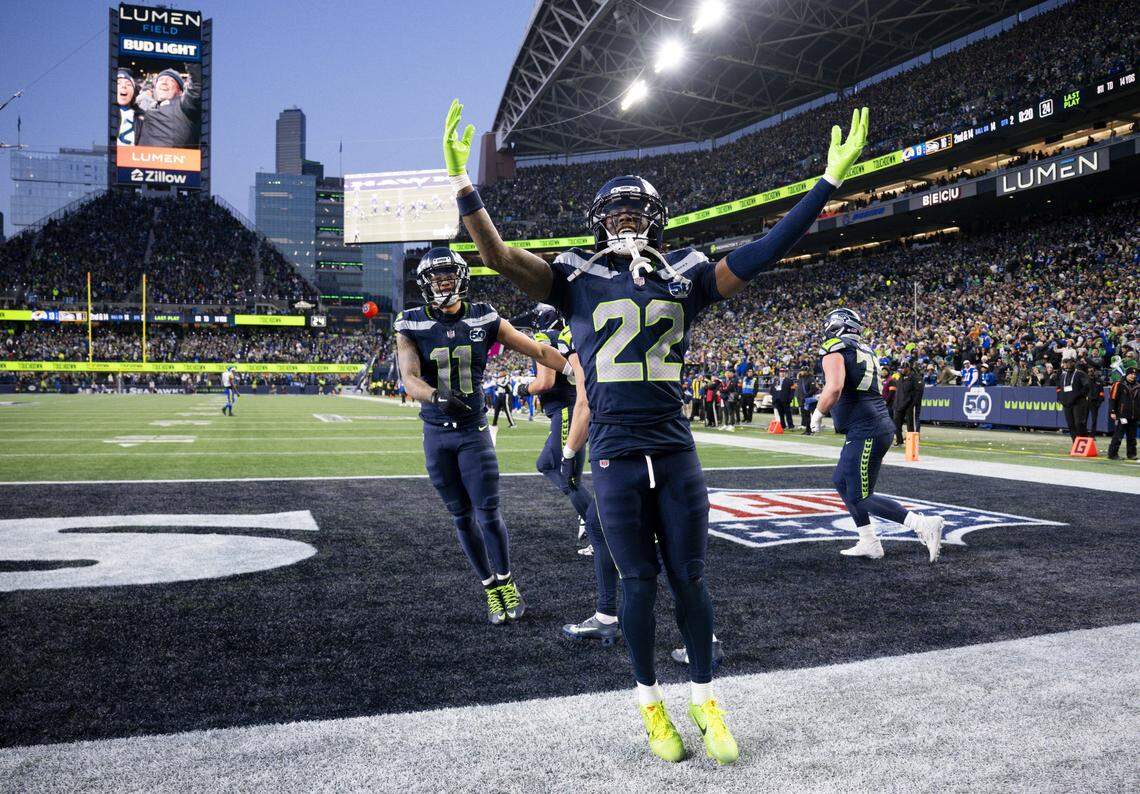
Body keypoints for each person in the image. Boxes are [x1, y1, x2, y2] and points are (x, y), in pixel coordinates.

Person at [446, 97, 872, 765]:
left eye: (636, 212)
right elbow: (497, 256)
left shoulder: (687, 275)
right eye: (615, 214)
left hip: (674, 449)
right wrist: (465, 189)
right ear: (595, 224)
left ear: (657, 220)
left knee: (692, 580)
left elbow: (761, 252)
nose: (626, 223)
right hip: (615, 450)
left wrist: (828, 183)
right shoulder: (571, 277)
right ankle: (650, 706)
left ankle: (706, 699)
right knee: (638, 583)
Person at [394, 247, 573, 625]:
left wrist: (575, 370)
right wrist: (437, 396)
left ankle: (507, 581)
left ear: (460, 278)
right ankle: (490, 586)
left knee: (489, 513)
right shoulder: (409, 323)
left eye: (448, 275)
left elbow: (537, 348)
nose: (443, 283)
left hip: (474, 434)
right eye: (436, 278)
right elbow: (409, 377)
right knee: (461, 517)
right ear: (425, 285)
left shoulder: (484, 316)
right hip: (437, 432)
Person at [516, 305, 620, 642]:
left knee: (567, 472)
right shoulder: (570, 334)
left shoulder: (552, 339)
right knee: (546, 465)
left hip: (569, 414)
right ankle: (590, 518)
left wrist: (522, 388)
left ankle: (592, 523)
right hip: (569, 412)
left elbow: (546, 380)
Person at [810, 308, 945, 562]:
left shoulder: (834, 346)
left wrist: (817, 413)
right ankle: (869, 541)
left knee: (860, 495)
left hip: (867, 428)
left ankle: (922, 524)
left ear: (837, 325)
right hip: (873, 423)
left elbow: (834, 387)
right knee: (841, 481)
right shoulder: (865, 348)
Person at [137, 63, 201, 148]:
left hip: (174, 159)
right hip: (141, 159)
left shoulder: (184, 105)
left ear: (180, 92)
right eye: (161, 79)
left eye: (171, 80)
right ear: (155, 88)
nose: (164, 82)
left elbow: (197, 86)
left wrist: (193, 60)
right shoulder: (144, 107)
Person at [1055, 355, 1090, 441]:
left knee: (1079, 423)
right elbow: (1059, 388)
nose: (1066, 364)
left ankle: (1083, 443)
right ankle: (1075, 444)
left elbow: (1087, 386)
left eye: (1068, 362)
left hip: (1078, 403)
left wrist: (1077, 395)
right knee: (1070, 425)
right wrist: (1060, 398)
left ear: (1074, 363)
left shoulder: (1080, 373)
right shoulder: (1063, 375)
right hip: (1067, 403)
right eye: (1065, 362)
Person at [1107, 367, 1139, 460]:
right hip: (1122, 415)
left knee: (1132, 437)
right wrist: (1112, 411)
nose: (1133, 376)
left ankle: (1131, 454)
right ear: (1127, 374)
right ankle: (1112, 454)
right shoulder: (1118, 384)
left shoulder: (1138, 386)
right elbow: (1112, 399)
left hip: (1134, 415)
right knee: (1118, 435)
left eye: (1134, 374)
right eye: (1131, 374)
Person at [892, 358, 924, 446]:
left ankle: (912, 442)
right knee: (896, 423)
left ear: (908, 368)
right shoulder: (900, 377)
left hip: (909, 404)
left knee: (911, 424)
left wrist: (913, 403)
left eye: (903, 368)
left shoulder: (914, 377)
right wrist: (896, 403)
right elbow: (898, 392)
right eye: (901, 368)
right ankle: (899, 441)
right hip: (899, 404)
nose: (901, 369)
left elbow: (919, 391)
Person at [1086, 365, 1105, 438]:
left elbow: (1101, 393)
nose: (1091, 372)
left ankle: (1092, 435)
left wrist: (1099, 402)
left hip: (1095, 402)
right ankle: (1083, 434)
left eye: (1092, 370)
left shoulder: (1099, 380)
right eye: (1089, 370)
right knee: (1084, 419)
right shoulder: (1085, 379)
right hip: (1086, 402)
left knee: (1094, 420)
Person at [795, 368, 815, 434]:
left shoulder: (811, 379)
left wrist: (806, 396)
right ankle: (807, 429)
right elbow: (798, 389)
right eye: (802, 370)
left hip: (807, 400)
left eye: (804, 371)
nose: (803, 372)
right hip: (801, 400)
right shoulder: (800, 379)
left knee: (808, 415)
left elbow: (813, 389)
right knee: (804, 416)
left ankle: (810, 429)